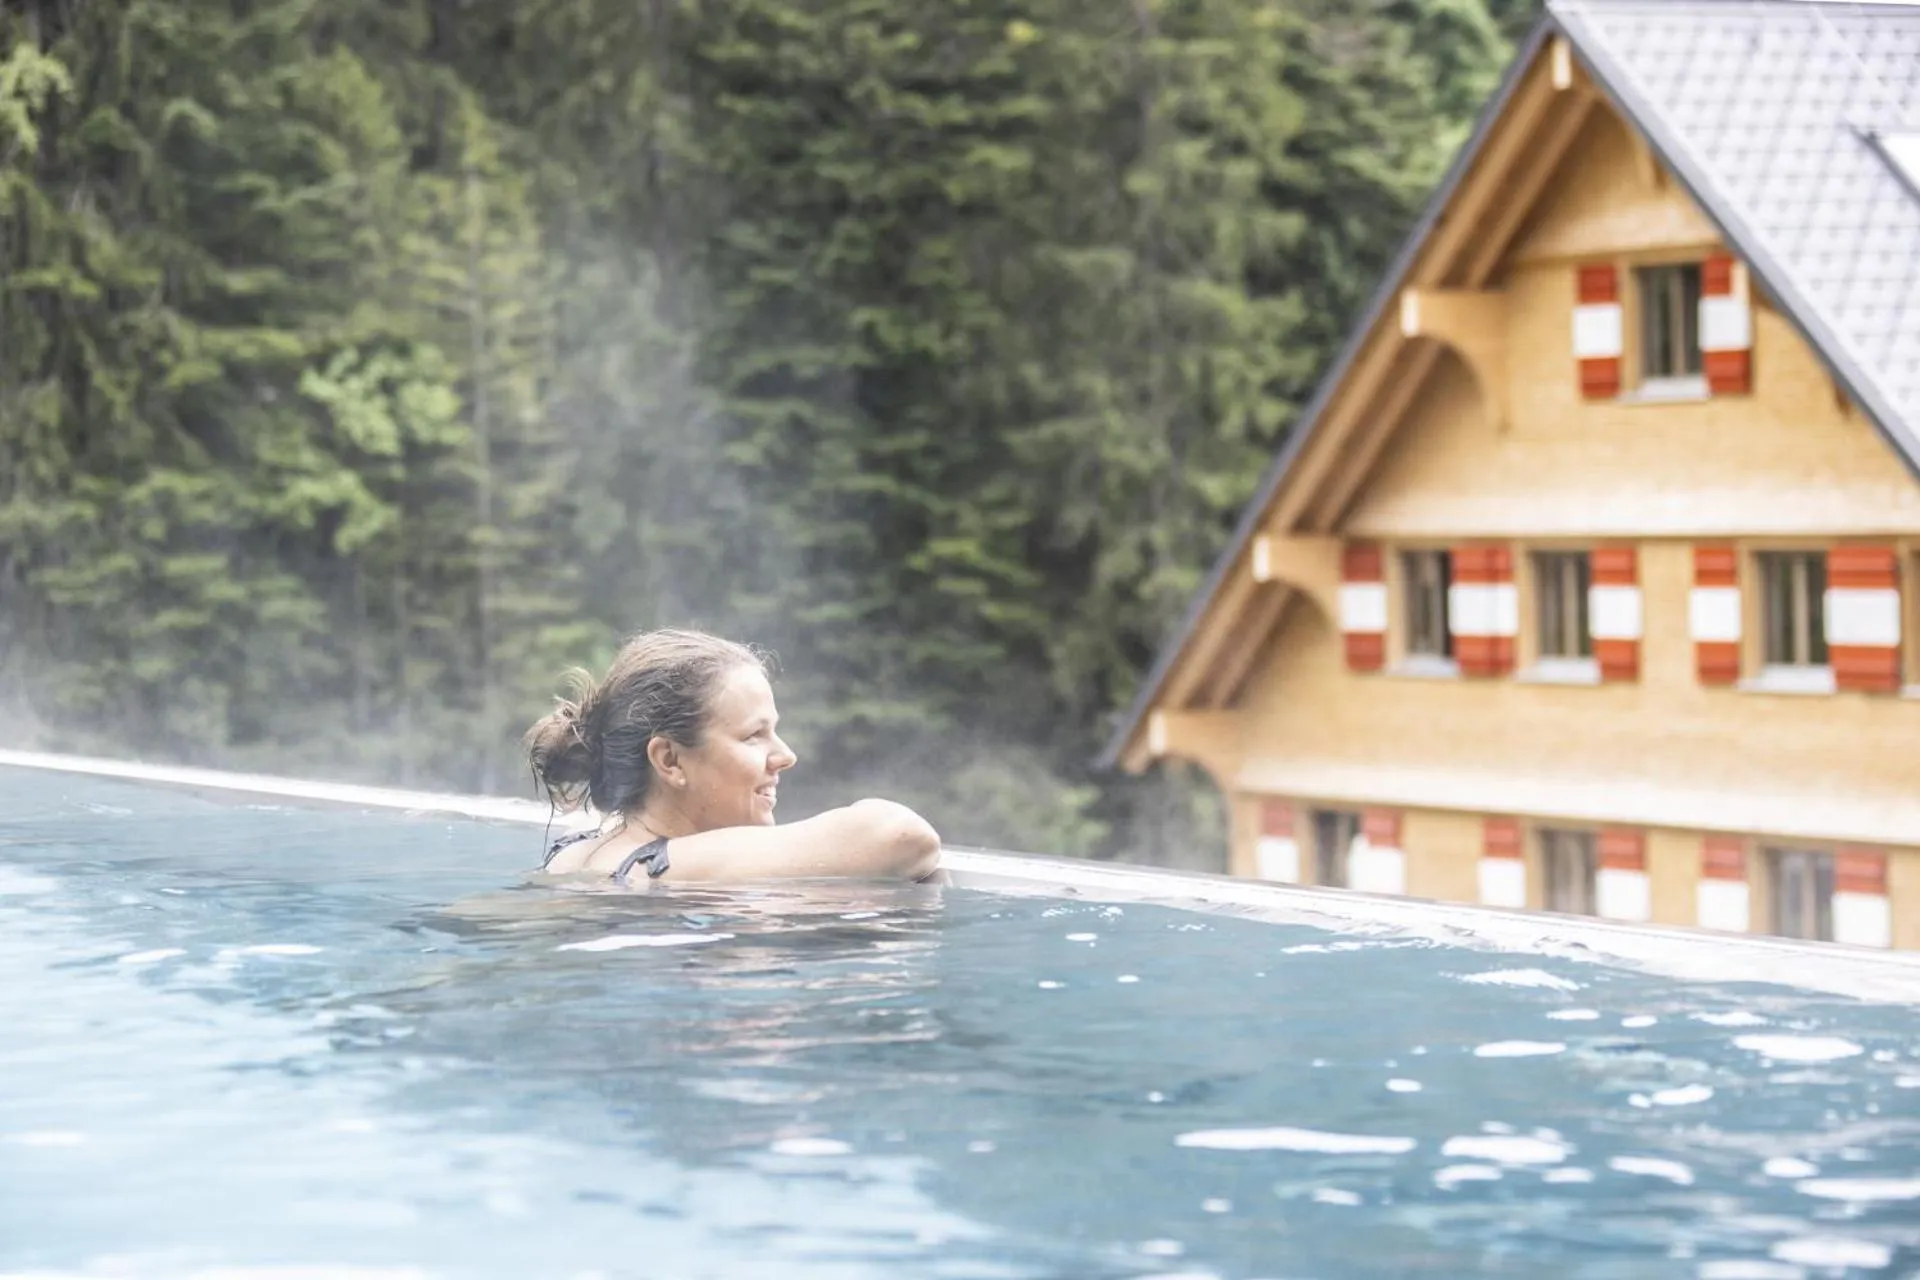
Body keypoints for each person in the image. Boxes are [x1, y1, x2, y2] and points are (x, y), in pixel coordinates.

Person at [525, 629, 942, 883]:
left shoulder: (576, 854)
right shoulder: (663, 868)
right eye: (754, 735)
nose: (786, 756)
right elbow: (903, 836)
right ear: (669, 760)